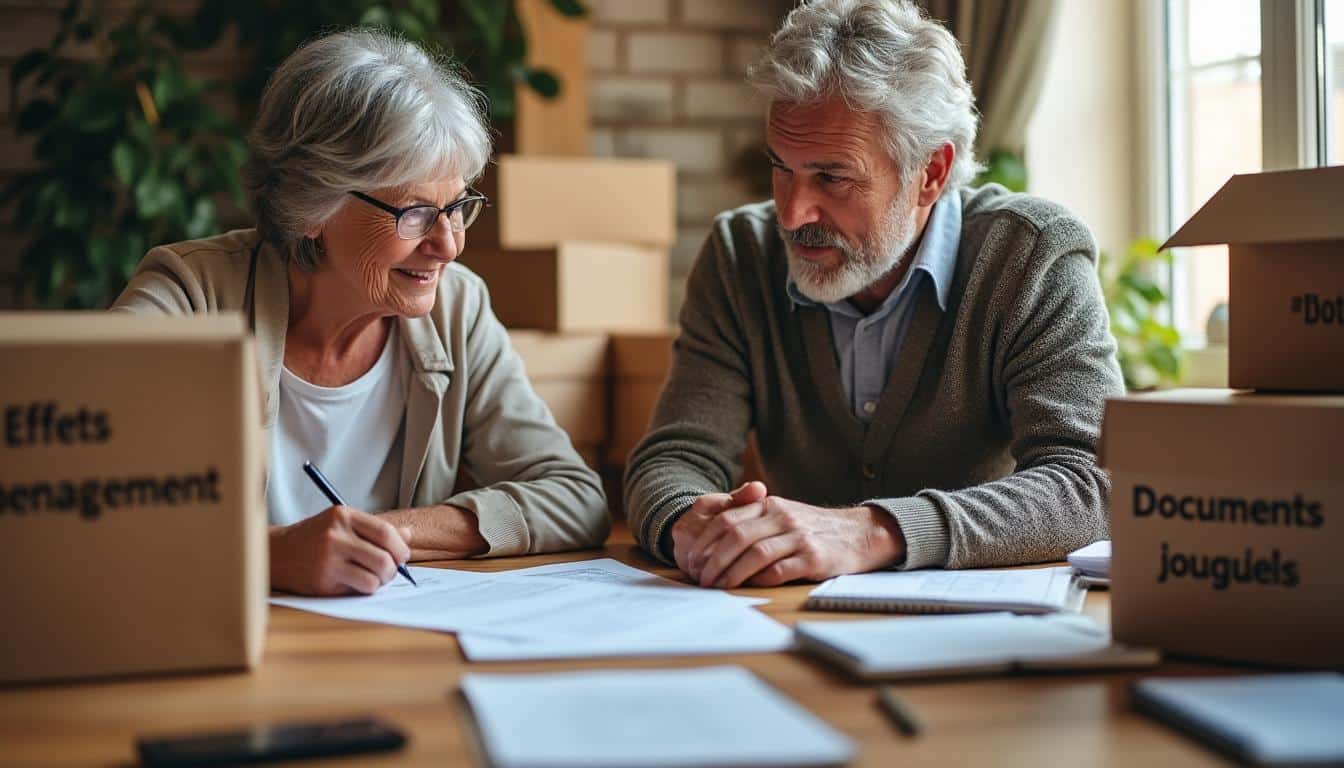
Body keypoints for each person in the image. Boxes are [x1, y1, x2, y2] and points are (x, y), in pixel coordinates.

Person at [624, 0, 1124, 589]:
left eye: (831, 177)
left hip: (984, 625)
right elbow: (675, 458)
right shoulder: (741, 254)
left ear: (931, 173)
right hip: (785, 618)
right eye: (781, 167)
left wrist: (871, 532)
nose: (791, 212)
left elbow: (1097, 486)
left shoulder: (1031, 255)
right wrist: (689, 522)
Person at [113, 29, 609, 596]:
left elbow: (574, 497)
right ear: (313, 205)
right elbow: (75, 497)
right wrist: (268, 554)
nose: (448, 245)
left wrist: (386, 534)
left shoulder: (457, 307)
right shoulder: (189, 295)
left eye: (458, 208)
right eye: (417, 213)